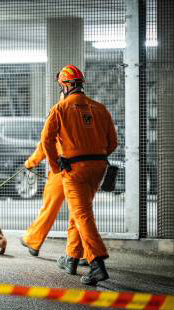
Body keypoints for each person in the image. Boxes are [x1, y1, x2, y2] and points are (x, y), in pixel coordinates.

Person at [41, 64, 118, 286]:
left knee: (82, 213)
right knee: (80, 210)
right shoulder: (100, 108)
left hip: (74, 170)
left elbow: (47, 140)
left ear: (65, 85)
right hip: (98, 168)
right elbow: (112, 142)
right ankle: (72, 258)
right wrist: (95, 156)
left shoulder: (60, 109)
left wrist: (56, 166)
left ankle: (97, 264)